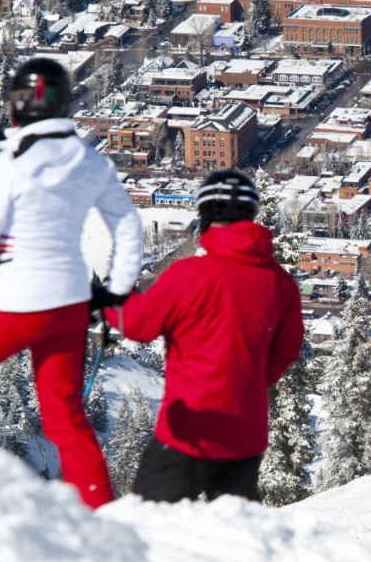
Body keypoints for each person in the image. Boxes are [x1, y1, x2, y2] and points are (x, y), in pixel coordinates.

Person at [0, 57, 143, 510]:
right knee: (65, 417)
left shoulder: (9, 164)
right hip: (70, 304)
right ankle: (101, 512)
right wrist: (115, 289)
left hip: (17, 304)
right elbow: (128, 227)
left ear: (17, 107)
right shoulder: (89, 162)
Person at [94, 169, 304, 503]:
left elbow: (138, 325)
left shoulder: (189, 276)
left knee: (152, 528)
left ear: (205, 216)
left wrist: (109, 299)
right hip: (245, 435)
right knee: (232, 536)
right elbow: (288, 349)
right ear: (251, 215)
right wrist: (249, 381)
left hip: (188, 431)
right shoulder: (280, 284)